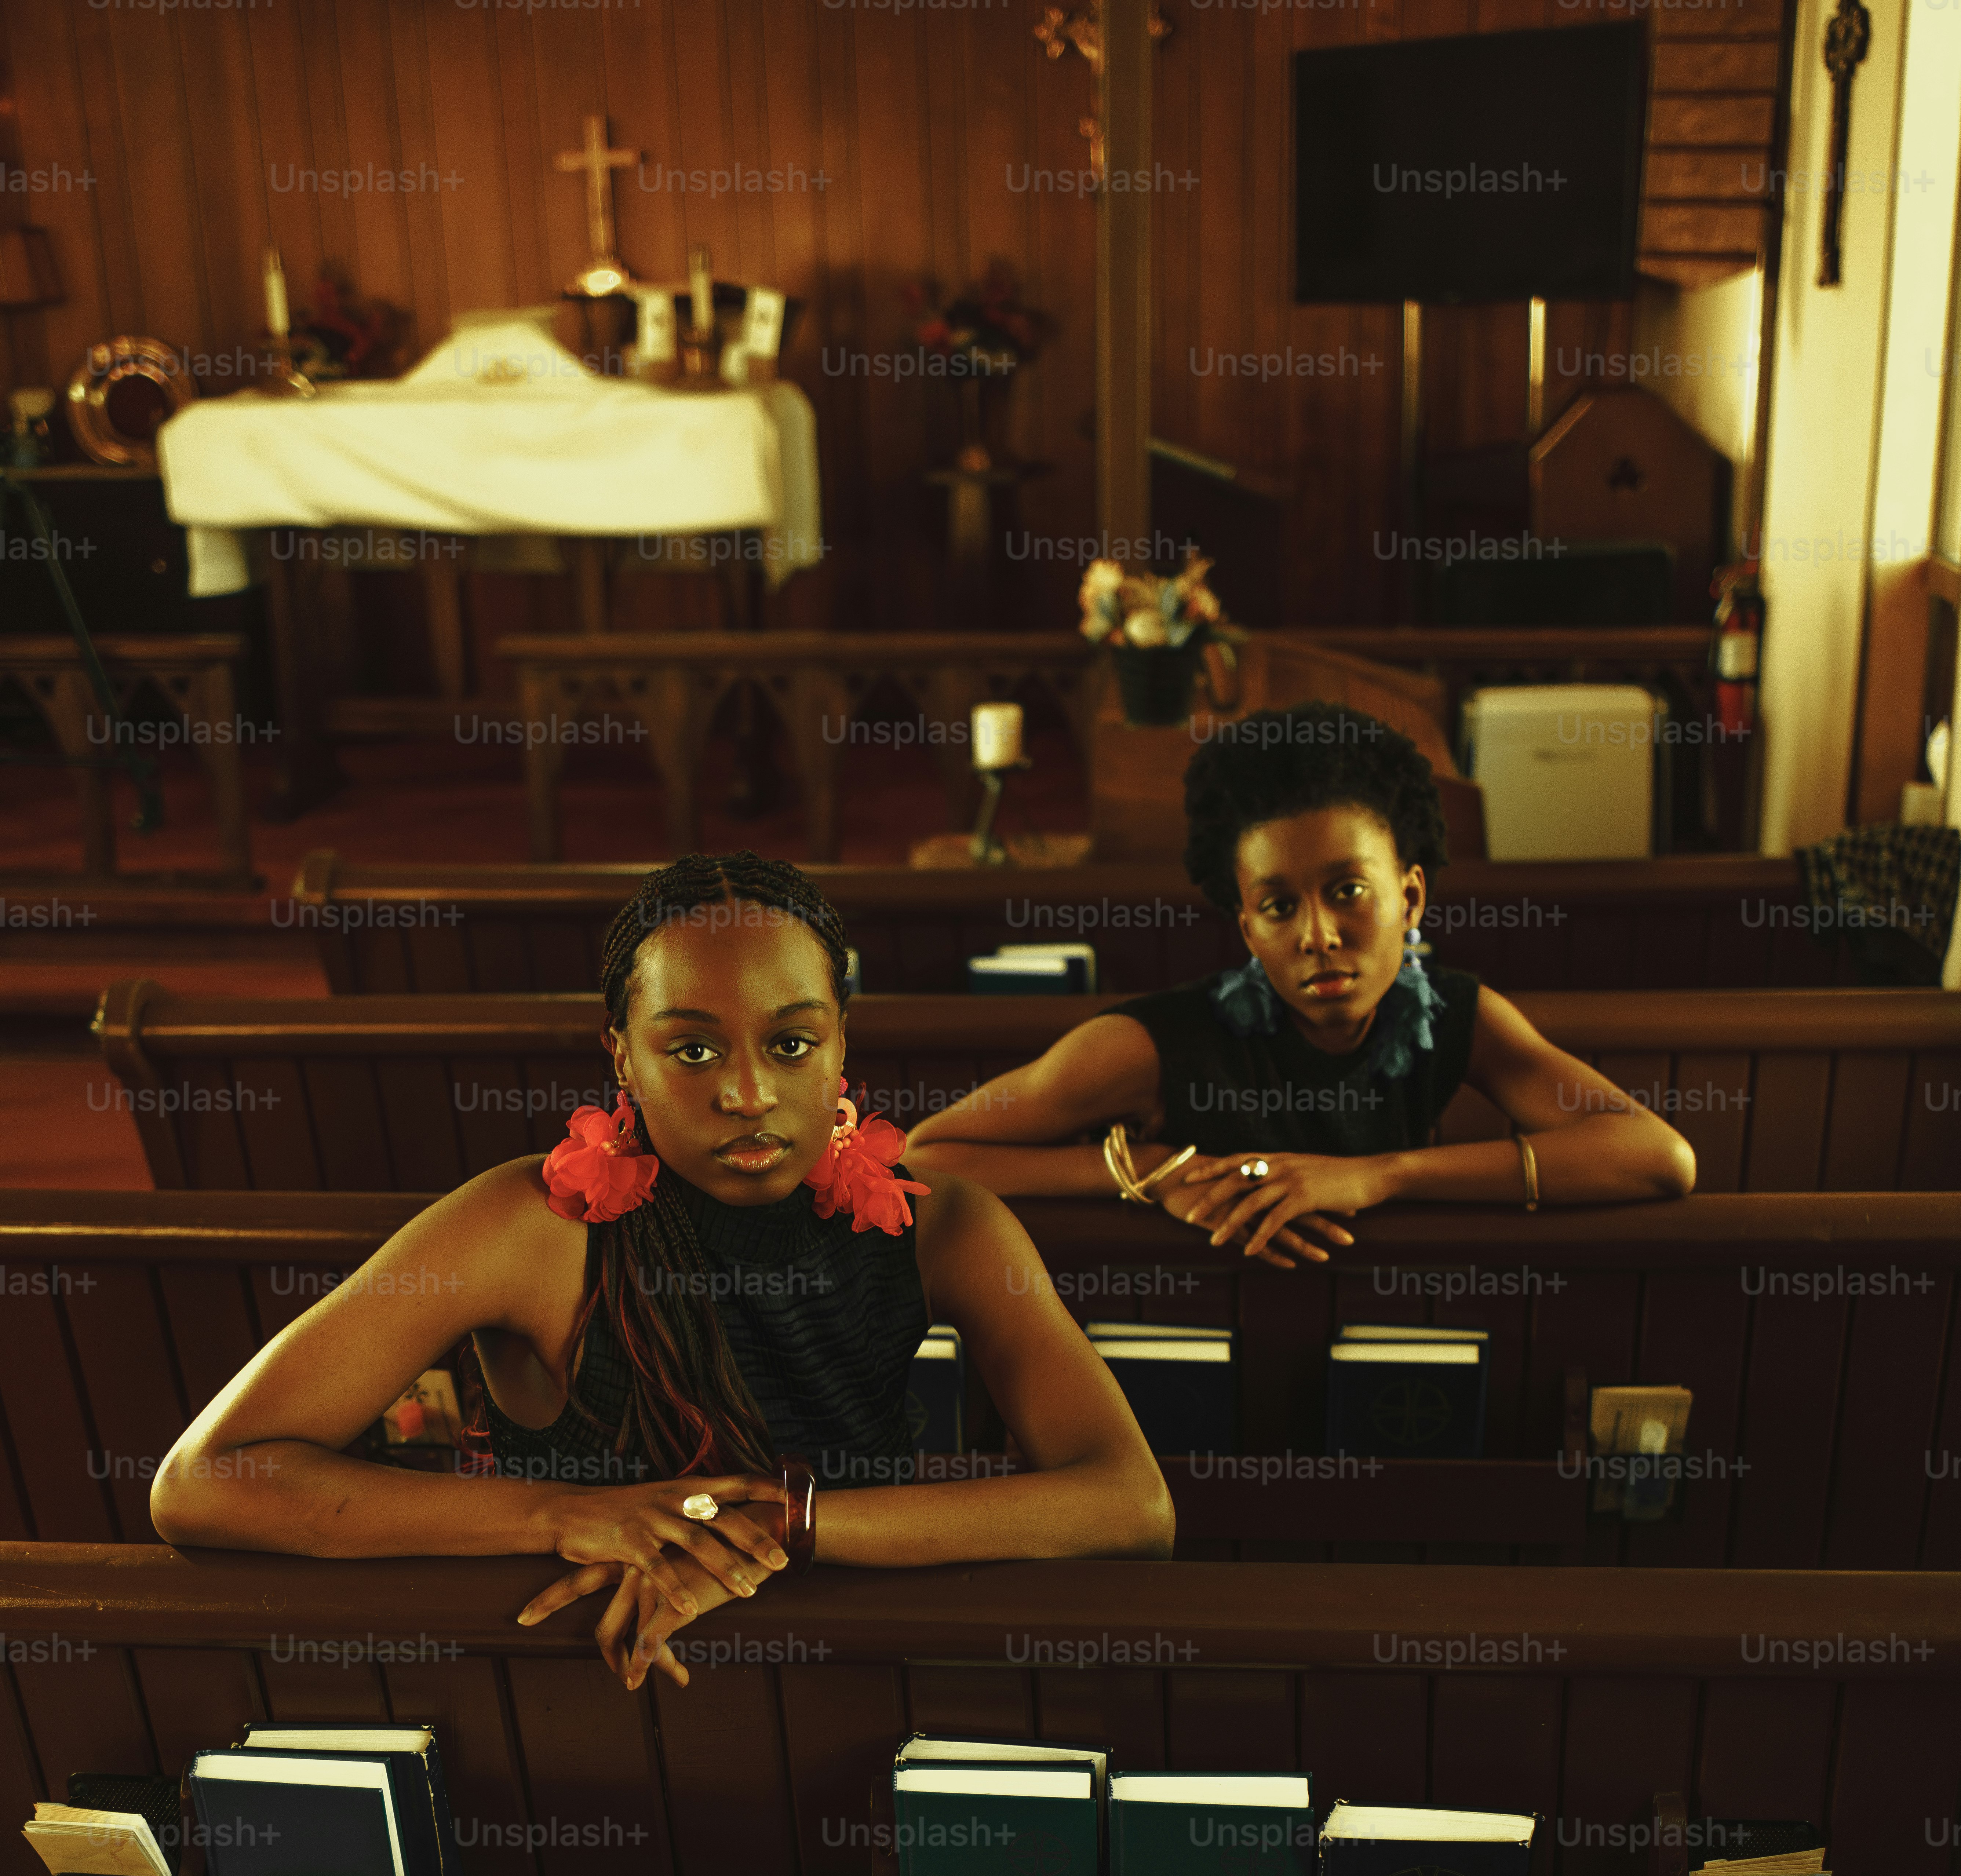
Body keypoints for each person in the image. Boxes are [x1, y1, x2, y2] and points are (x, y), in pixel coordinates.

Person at [152, 855, 1172, 1690]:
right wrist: (567, 1514)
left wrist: (790, 1529)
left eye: (791, 1043)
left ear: (841, 1045)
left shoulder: (947, 1225)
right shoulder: (531, 1225)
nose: (745, 1093)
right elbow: (208, 1481)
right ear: (621, 1058)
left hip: (870, 1672)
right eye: (690, 1050)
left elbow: (1130, 1507)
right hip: (575, 1681)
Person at [908, 704, 1695, 1261]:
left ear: (1410, 897)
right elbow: (926, 1156)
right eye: (1280, 906)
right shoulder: (1153, 1045)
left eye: (1348, 890)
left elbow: (1659, 1156)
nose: (1317, 934)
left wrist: (1380, 1174)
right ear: (1249, 928)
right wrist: (1153, 1172)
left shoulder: (1459, 1014)